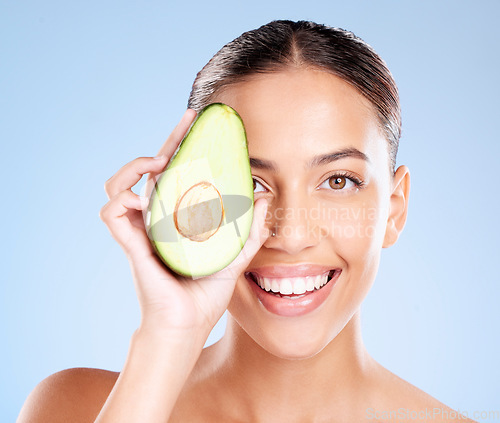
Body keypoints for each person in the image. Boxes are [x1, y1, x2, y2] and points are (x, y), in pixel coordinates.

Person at [18, 20, 475, 422]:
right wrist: (168, 336)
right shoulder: (76, 407)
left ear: (394, 209)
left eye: (338, 181)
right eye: (252, 183)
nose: (291, 236)